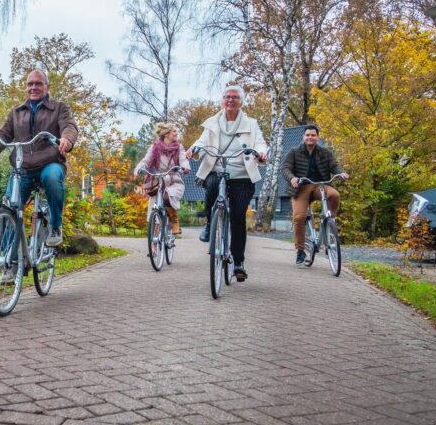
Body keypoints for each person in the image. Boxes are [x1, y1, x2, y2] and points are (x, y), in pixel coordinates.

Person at [0, 69, 77, 247]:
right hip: (23, 167)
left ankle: (55, 226)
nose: (33, 87)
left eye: (38, 83)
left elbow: (69, 126)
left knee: (53, 178)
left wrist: (66, 140)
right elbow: (3, 134)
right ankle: (8, 262)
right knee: (10, 207)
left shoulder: (59, 108)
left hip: (50, 162)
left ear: (47, 87)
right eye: (30, 84)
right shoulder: (17, 112)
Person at [190, 85, 269, 281]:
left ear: (241, 102)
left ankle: (239, 262)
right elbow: (201, 142)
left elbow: (259, 142)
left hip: (242, 174)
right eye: (227, 97)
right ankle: (210, 223)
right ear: (222, 101)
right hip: (217, 167)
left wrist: (261, 152)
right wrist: (193, 149)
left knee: (237, 218)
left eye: (234, 97)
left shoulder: (251, 123)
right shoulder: (212, 123)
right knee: (211, 187)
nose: (230, 100)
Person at [279, 124, 349, 266]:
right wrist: (292, 178)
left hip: (320, 185)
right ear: (303, 137)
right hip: (301, 187)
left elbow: (334, 165)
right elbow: (285, 168)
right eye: (308, 135)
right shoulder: (294, 152)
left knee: (334, 195)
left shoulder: (325, 152)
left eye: (313, 135)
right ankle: (300, 250)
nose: (310, 137)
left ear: (317, 137)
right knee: (299, 217)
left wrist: (340, 173)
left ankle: (330, 221)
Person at [135, 122, 191, 235]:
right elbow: (146, 160)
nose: (176, 133)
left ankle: (174, 220)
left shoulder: (179, 147)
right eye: (174, 131)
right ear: (166, 134)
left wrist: (185, 167)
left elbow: (183, 159)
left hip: (175, 180)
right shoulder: (155, 147)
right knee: (154, 206)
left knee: (167, 196)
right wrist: (138, 169)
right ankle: (154, 242)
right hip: (160, 179)